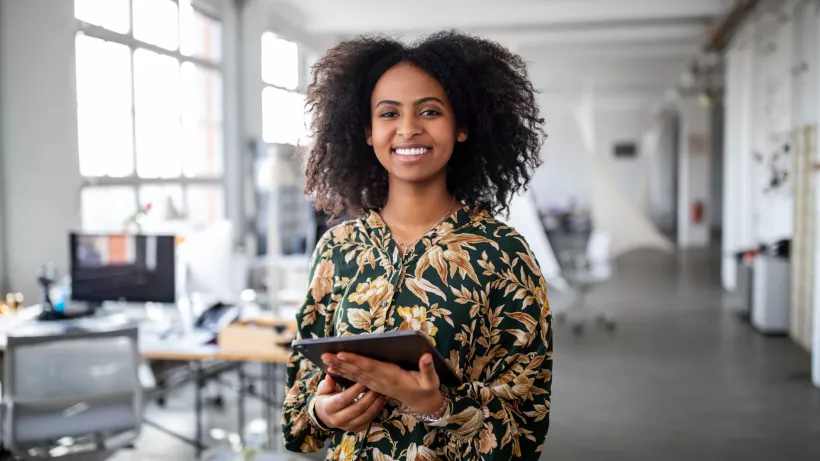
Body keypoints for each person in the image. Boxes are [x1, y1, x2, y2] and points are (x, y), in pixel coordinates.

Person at [282, 30, 553, 460]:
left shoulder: (504, 254)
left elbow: (526, 433)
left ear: (462, 127)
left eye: (429, 111)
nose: (408, 129)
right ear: (368, 132)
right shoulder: (338, 250)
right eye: (389, 114)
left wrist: (439, 406)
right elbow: (297, 418)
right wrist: (322, 412)